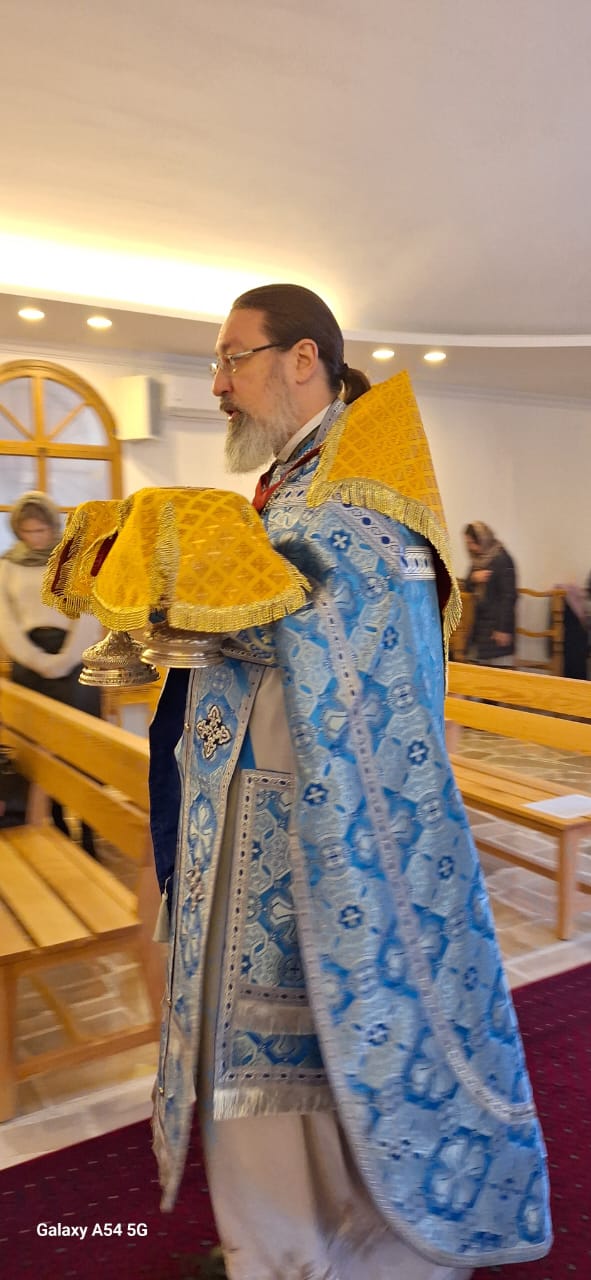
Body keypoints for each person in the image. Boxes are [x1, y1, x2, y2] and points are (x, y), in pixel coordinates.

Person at [149, 285, 551, 1279]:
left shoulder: (358, 497)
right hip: (246, 807)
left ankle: (339, 1247)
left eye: (232, 358)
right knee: (257, 1038)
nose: (218, 384)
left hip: (316, 824)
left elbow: (362, 651)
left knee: (312, 1036)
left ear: (302, 359)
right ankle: (278, 1241)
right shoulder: (289, 483)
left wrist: (219, 611)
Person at [0, 491, 101, 855]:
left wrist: (65, 660)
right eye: (27, 531)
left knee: (83, 750)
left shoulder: (73, 559)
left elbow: (88, 612)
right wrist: (35, 660)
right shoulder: (7, 565)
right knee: (40, 754)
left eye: (41, 530)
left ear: (52, 525)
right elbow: (6, 621)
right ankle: (56, 826)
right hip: (28, 665)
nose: (36, 537)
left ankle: (89, 831)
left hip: (75, 662)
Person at [463, 522, 517, 665]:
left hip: (496, 626)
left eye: (472, 543)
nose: (470, 547)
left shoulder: (502, 559)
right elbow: (467, 585)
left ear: (483, 540)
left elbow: (509, 596)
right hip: (479, 626)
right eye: (468, 543)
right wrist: (474, 578)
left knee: (497, 672)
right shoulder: (478, 560)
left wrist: (503, 629)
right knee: (475, 669)